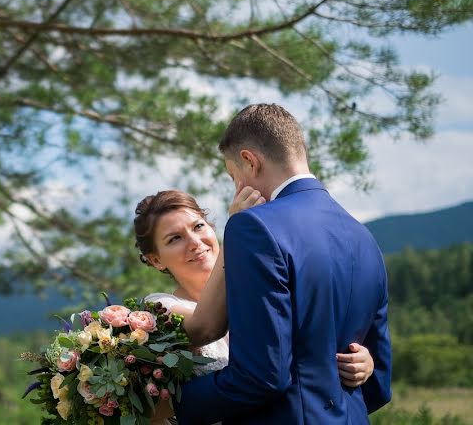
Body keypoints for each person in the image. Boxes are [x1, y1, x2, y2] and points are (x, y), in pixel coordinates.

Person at [167, 104, 392, 424]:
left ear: (249, 161)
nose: (236, 189)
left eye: (234, 177)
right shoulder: (364, 237)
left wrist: (175, 406)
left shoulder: (254, 227)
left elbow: (261, 376)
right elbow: (378, 382)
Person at [134, 189, 375, 424]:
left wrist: (360, 360)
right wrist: (235, 234)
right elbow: (205, 324)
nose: (195, 242)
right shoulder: (160, 310)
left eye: (198, 227)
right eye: (175, 238)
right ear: (156, 260)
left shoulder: (263, 289)